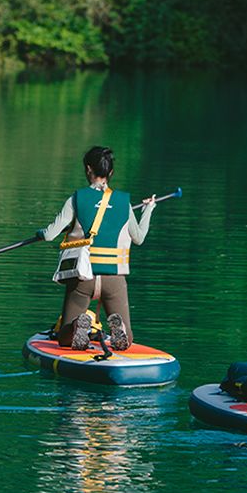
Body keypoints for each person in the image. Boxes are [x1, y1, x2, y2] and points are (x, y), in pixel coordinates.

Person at [36, 146, 156, 350]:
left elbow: (49, 235)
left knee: (65, 339)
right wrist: (148, 210)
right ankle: (120, 332)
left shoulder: (76, 198)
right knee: (126, 342)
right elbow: (139, 238)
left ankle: (77, 325)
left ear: (88, 169)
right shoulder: (123, 202)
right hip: (114, 279)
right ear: (110, 173)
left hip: (82, 277)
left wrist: (40, 233)